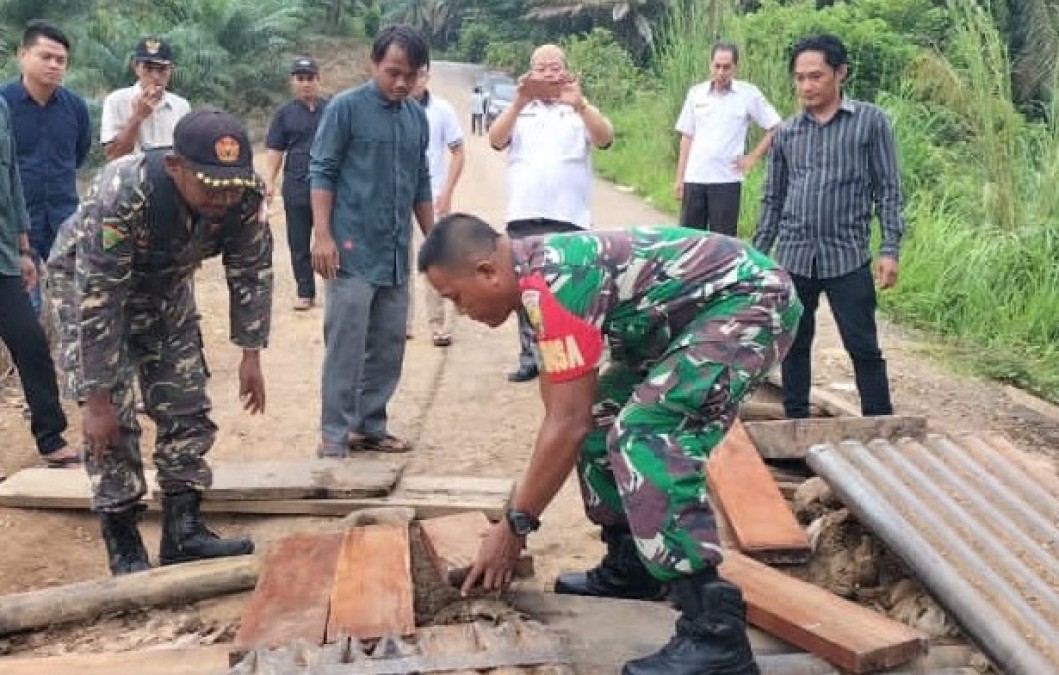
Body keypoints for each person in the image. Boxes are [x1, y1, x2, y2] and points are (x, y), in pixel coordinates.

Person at [419, 214, 801, 675]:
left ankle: (714, 633)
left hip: (750, 303)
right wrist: (522, 511)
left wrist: (515, 525)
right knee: (602, 420)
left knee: (647, 434)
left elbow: (565, 423)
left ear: (487, 271)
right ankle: (633, 568)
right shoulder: (534, 287)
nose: (462, 312)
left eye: (456, 298)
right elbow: (566, 416)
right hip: (692, 320)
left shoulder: (559, 281)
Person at [47, 108, 271, 575]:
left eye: (229, 187)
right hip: (87, 291)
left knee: (185, 404)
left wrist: (251, 353)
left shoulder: (241, 194)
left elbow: (250, 271)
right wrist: (98, 401)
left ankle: (183, 531)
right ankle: (123, 538)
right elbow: (99, 299)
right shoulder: (124, 192)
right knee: (116, 423)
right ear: (174, 166)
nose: (220, 199)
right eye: (208, 184)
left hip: (165, 289)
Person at [753, 34, 905, 419]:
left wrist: (889, 248)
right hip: (795, 254)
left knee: (863, 345)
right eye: (800, 78)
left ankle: (878, 424)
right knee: (794, 343)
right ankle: (796, 421)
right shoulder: (787, 133)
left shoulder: (870, 123)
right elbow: (773, 198)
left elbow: (888, 188)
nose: (807, 85)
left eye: (816, 76)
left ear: (841, 73)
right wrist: (757, 255)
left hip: (847, 255)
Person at [309, 25, 433, 458]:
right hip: (350, 250)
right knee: (346, 345)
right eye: (393, 72)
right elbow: (321, 171)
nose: (401, 82)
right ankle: (334, 436)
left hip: (395, 254)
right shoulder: (345, 109)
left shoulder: (417, 116)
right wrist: (322, 235)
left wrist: (433, 240)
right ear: (374, 64)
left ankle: (369, 426)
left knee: (389, 344)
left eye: (411, 75)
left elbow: (421, 181)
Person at [487, 43, 614, 383]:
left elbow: (604, 139)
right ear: (529, 74)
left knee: (568, 289)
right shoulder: (519, 110)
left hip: (569, 216)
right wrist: (519, 101)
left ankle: (568, 355)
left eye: (554, 66)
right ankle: (530, 356)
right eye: (540, 67)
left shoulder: (579, 107)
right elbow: (495, 140)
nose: (548, 73)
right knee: (527, 288)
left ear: (566, 70)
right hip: (524, 213)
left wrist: (581, 104)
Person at [0, 96, 75, 467]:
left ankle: (50, 436)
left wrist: (25, 249)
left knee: (30, 341)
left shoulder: (0, 107)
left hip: (3, 256)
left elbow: (11, 180)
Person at [0, 20, 90, 313]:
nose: (53, 65)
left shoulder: (75, 107)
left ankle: (63, 357)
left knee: (72, 299)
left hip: (64, 217)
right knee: (26, 304)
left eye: (60, 60)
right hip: (14, 222)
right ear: (22, 55)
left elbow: (78, 154)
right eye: (45, 57)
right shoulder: (4, 105)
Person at [674, 41, 782, 237]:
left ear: (735, 67)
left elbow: (775, 126)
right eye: (717, 66)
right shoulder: (695, 93)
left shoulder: (748, 94)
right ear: (710, 64)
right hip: (695, 178)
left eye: (726, 67)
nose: (721, 72)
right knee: (688, 243)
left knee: (722, 244)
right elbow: (687, 136)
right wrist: (680, 178)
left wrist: (752, 158)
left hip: (726, 181)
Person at [266, 56, 329, 311]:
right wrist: (269, 181)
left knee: (331, 239)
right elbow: (275, 150)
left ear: (318, 80)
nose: (305, 84)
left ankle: (336, 288)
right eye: (300, 79)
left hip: (328, 188)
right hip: (297, 187)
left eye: (310, 78)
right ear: (292, 82)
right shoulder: (284, 114)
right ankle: (305, 291)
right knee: (299, 242)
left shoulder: (332, 109)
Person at [409, 65, 464, 346]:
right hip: (396, 198)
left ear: (427, 76)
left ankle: (438, 324)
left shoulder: (442, 110)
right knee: (398, 260)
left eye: (420, 74)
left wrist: (447, 192)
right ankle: (402, 324)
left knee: (434, 261)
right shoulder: (392, 108)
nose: (415, 80)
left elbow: (457, 152)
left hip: (432, 197)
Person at [100, 36, 191, 160]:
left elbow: (187, 155)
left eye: (162, 69)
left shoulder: (181, 106)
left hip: (168, 177)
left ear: (170, 70)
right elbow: (113, 154)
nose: (155, 76)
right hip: (129, 177)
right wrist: (137, 116)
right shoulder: (116, 101)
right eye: (148, 68)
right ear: (136, 68)